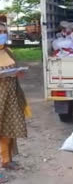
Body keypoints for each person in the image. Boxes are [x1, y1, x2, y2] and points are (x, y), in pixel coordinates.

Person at [0, 23, 30, 182]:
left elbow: (13, 69)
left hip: (11, 96)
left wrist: (17, 73)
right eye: (0, 32)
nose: (3, 34)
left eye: (5, 31)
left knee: (8, 127)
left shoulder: (8, 51)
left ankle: (6, 160)